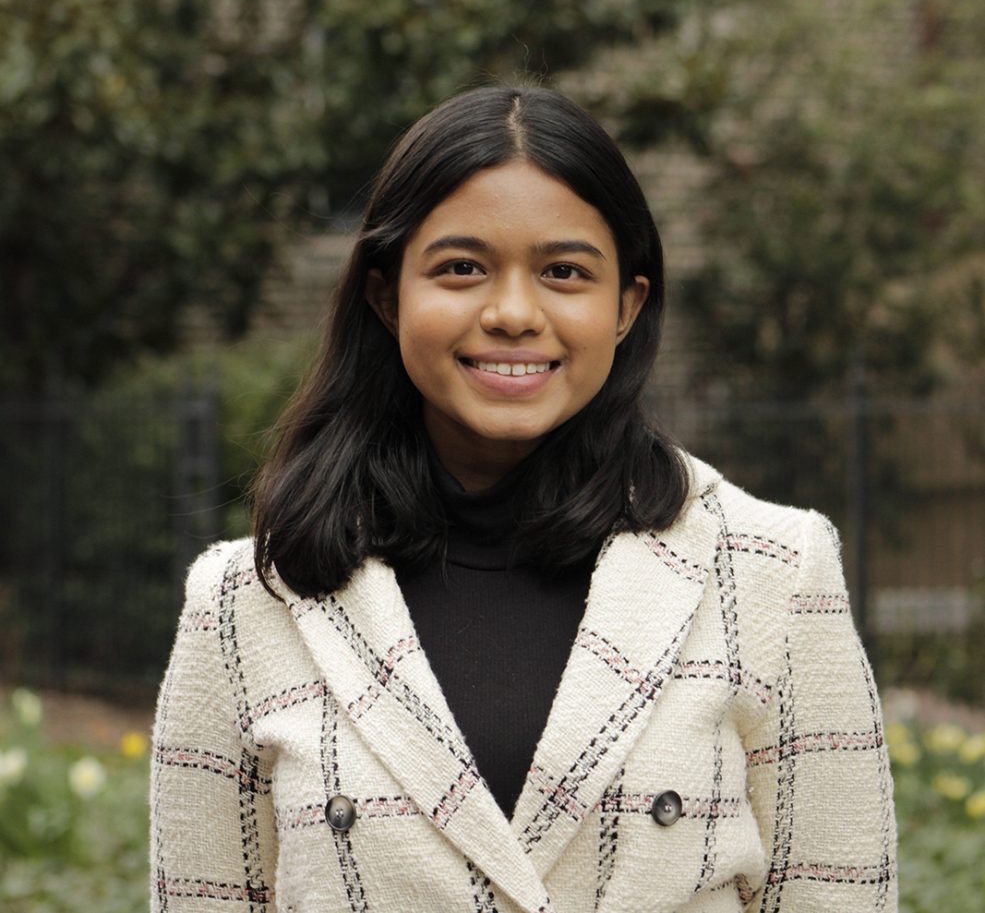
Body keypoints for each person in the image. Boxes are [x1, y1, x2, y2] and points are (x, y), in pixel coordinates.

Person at [151, 85, 898, 913]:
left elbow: (840, 895)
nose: (512, 312)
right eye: (461, 267)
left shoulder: (771, 572)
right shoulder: (247, 601)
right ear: (385, 294)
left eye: (563, 272)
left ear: (627, 305)